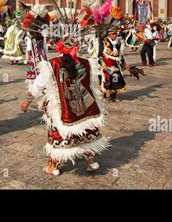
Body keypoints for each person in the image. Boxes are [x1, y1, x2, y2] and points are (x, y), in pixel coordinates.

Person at [23, 36, 110, 176]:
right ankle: (92, 162)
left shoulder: (52, 65)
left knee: (60, 134)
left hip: (62, 109)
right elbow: (93, 85)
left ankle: (53, 166)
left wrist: (27, 101)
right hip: (84, 108)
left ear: (60, 48)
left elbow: (38, 85)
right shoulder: (86, 63)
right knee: (85, 132)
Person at [101, 28, 127, 102]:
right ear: (109, 34)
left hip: (114, 64)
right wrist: (103, 64)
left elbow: (120, 55)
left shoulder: (118, 42)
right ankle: (104, 96)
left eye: (115, 34)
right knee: (106, 81)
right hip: (105, 64)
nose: (115, 35)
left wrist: (124, 64)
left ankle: (113, 97)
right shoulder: (104, 41)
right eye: (113, 34)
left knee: (115, 80)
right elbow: (99, 54)